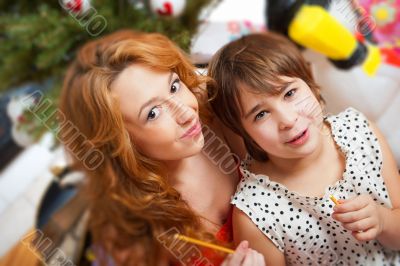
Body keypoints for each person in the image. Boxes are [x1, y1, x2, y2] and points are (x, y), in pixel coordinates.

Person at [59, 29, 264, 266]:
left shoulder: (216, 113)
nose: (187, 112)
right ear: (120, 144)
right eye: (153, 113)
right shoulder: (135, 231)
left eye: (174, 86)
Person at [207, 32, 400, 265]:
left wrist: (383, 220)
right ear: (242, 132)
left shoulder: (359, 132)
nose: (287, 120)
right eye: (261, 114)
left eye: (289, 93)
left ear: (310, 82)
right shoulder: (256, 212)